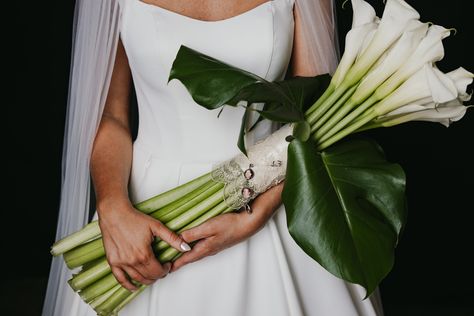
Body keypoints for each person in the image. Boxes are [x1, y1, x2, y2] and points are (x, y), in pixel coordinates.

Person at [44, 0, 383, 315]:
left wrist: (257, 214)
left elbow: (317, 118)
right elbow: (109, 116)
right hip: (145, 209)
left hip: (273, 194)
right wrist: (112, 206)